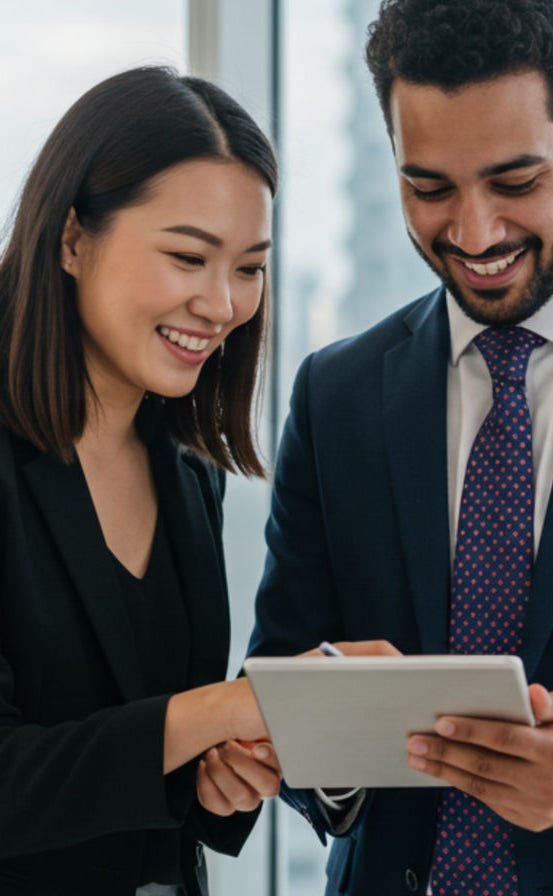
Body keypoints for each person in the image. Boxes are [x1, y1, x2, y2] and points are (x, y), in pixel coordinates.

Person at [242, 0, 553, 893]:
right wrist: (333, 748)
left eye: (515, 181)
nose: (475, 233)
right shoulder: (335, 395)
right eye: (429, 189)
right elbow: (286, 684)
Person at [0, 65, 282, 896]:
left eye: (249, 267)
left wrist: (211, 774)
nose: (222, 304)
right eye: (188, 257)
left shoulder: (188, 470)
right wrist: (216, 711)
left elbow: (142, 758)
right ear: (72, 239)